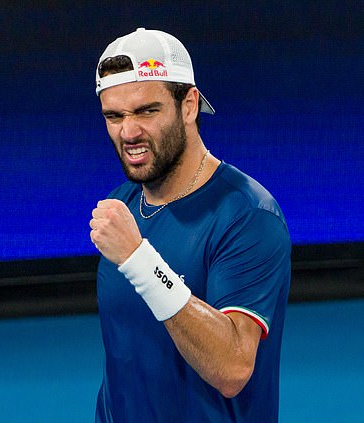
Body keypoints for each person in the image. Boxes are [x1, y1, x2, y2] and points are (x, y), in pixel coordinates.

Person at [89, 28, 291, 422]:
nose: (128, 132)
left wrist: (138, 259)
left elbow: (232, 369)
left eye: (147, 110)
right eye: (114, 116)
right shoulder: (126, 204)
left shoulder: (249, 216)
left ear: (189, 105)